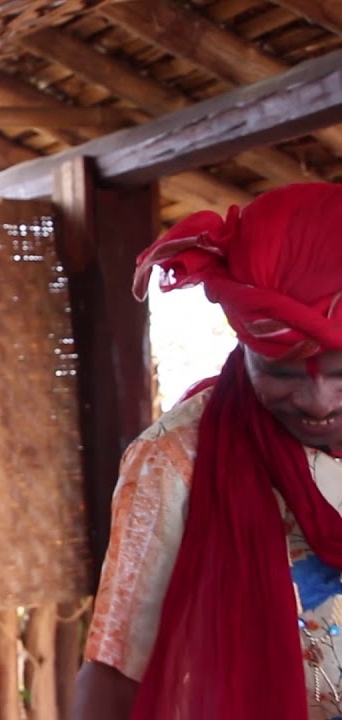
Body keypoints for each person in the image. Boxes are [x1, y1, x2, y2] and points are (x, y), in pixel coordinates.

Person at [73, 182, 342, 720]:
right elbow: (117, 665)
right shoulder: (177, 458)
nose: (318, 402)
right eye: (279, 373)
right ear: (243, 345)